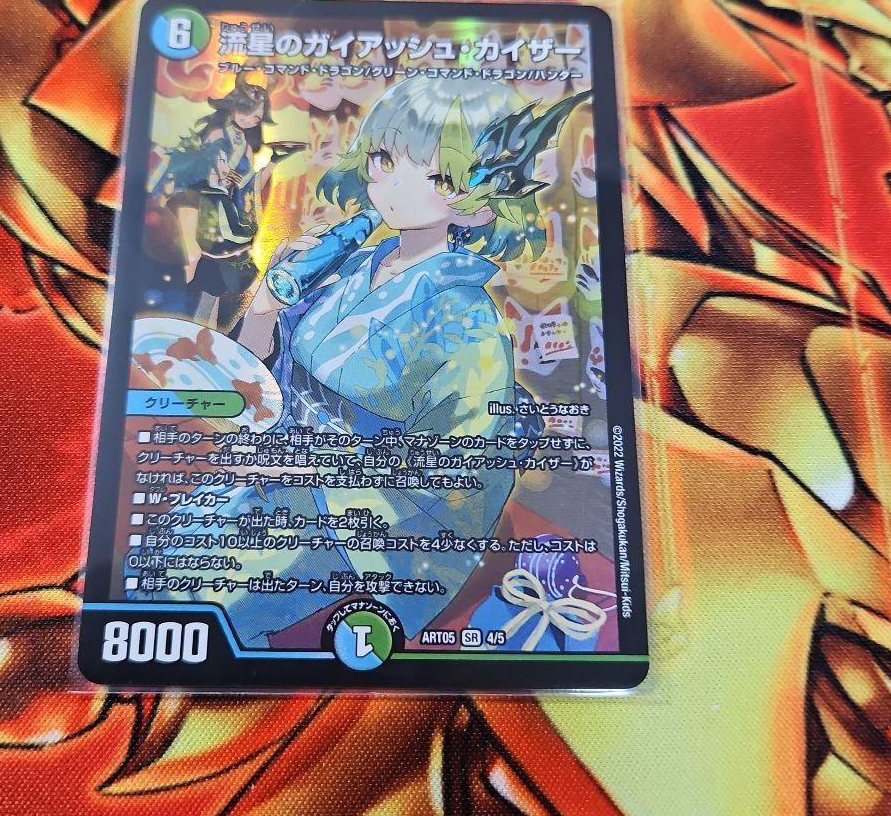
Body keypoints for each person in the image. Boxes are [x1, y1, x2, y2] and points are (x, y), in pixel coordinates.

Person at [170, 76, 585, 645]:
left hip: (359, 514)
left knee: (205, 606)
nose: (391, 181)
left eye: (436, 175)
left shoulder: (467, 319)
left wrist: (305, 472)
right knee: (166, 565)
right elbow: (267, 373)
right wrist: (264, 307)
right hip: (274, 472)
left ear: (478, 202)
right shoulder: (348, 264)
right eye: (385, 159)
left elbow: (457, 471)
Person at [166, 81, 274, 329]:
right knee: (192, 259)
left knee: (216, 277)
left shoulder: (246, 147)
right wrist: (218, 176)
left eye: (256, 117)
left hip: (224, 212)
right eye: (247, 110)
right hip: (199, 203)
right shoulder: (216, 132)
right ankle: (179, 324)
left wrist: (270, 166)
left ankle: (202, 330)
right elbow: (195, 169)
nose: (250, 119)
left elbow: (248, 187)